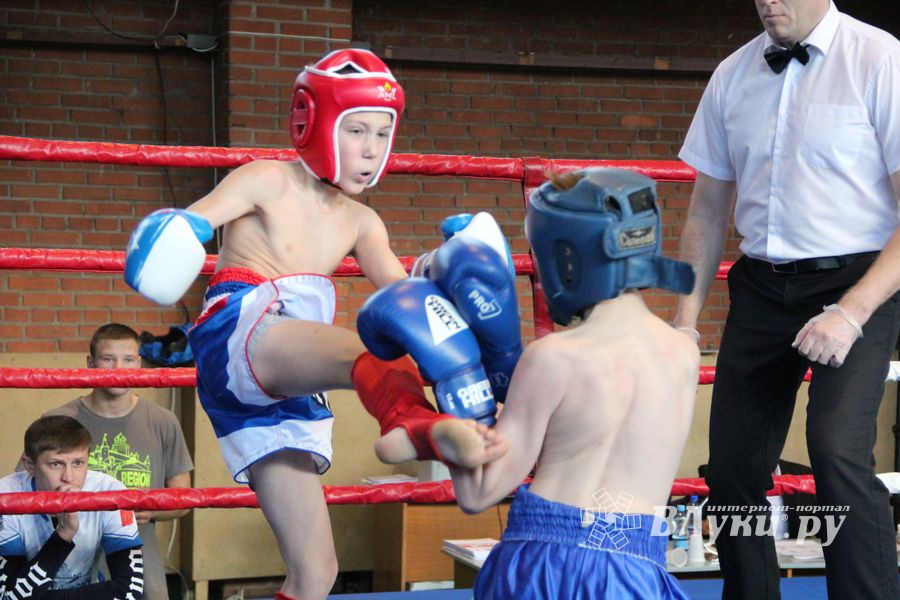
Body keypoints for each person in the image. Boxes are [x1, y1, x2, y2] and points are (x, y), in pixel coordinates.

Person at [123, 48, 504, 600]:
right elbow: (196, 221)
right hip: (241, 328)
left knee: (316, 573)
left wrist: (453, 272)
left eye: (382, 134)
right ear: (315, 124)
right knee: (365, 354)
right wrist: (173, 236)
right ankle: (414, 425)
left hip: (282, 386)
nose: (371, 150)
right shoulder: (266, 179)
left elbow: (406, 300)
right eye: (357, 130)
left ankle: (422, 423)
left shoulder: (362, 221)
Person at [672, 1, 900, 598]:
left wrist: (850, 313)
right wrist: (683, 324)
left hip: (857, 282)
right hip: (760, 285)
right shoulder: (732, 73)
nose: (768, 1)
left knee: (836, 452)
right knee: (732, 469)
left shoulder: (879, 59)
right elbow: (705, 211)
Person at [439, 168, 700, 598]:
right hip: (634, 564)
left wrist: (457, 387)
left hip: (542, 561)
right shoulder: (684, 355)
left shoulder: (553, 357)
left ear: (566, 258)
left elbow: (479, 492)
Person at [44, 323, 193, 600]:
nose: (119, 369)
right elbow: (26, 491)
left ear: (139, 363)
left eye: (128, 360)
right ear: (90, 363)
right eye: (108, 359)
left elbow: (183, 496)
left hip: (140, 561)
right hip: (72, 563)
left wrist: (152, 508)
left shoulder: (162, 421)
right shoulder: (58, 421)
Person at [0, 416, 144, 599]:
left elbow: (129, 590)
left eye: (78, 463)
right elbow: (8, 597)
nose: (69, 477)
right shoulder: (6, 497)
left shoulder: (110, 492)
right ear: (29, 465)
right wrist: (64, 534)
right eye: (56, 464)